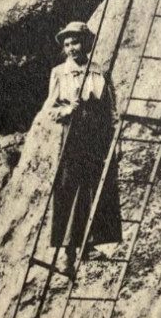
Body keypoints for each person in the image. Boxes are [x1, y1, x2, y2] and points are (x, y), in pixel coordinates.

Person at [46, 21, 122, 277]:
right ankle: (67, 254)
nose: (71, 49)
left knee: (95, 186)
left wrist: (116, 140)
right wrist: (69, 110)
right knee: (70, 188)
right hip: (73, 136)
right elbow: (51, 111)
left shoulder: (101, 72)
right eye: (67, 44)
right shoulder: (59, 73)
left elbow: (112, 111)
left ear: (86, 43)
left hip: (97, 137)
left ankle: (89, 245)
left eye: (75, 42)